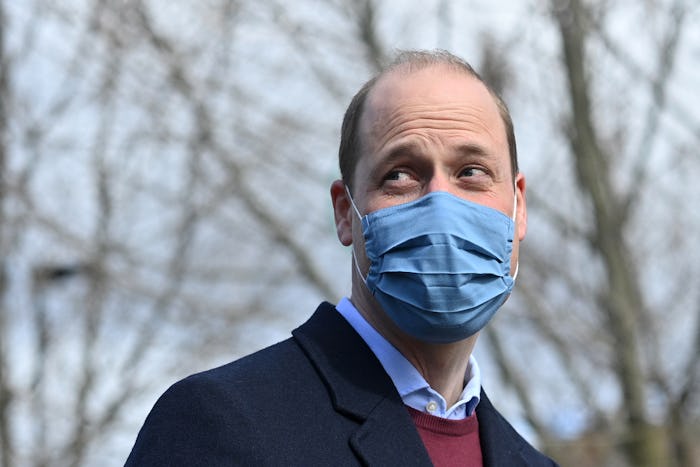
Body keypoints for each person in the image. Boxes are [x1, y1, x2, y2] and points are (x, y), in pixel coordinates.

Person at [126, 49, 558, 466]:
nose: (441, 204)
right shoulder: (221, 423)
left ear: (518, 206)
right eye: (400, 175)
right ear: (344, 213)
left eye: (471, 172)